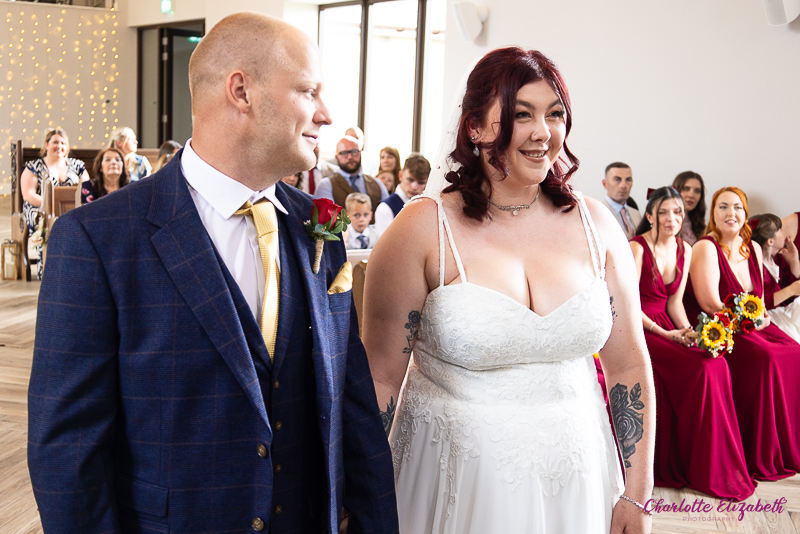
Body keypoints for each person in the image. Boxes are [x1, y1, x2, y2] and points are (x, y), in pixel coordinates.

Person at [28, 12, 398, 534]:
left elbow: (351, 403)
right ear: (241, 91)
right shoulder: (97, 239)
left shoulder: (319, 228)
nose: (326, 114)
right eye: (308, 91)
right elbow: (67, 451)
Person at [364, 47, 654, 533]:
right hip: (455, 482)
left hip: (579, 478)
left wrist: (637, 493)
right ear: (475, 127)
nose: (544, 132)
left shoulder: (596, 224)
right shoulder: (422, 229)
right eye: (523, 115)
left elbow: (628, 364)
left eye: (555, 114)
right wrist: (360, 489)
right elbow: (380, 378)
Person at [630, 186, 754, 500]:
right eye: (663, 212)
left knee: (716, 362)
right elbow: (626, 304)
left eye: (677, 212)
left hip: (667, 323)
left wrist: (689, 332)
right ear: (650, 216)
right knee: (702, 369)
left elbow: (674, 303)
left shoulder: (684, 248)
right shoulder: (637, 248)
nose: (671, 218)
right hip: (639, 327)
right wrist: (664, 334)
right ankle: (697, 464)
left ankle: (713, 464)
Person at [685, 187, 800, 481]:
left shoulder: (754, 249)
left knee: (794, 351)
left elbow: (758, 299)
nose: (731, 213)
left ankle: (788, 446)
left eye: (737, 207)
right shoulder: (706, 247)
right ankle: (760, 450)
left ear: (746, 215)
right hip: (721, 327)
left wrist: (761, 318)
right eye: (723, 207)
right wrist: (749, 322)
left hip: (753, 325)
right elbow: (710, 303)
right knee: (767, 358)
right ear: (713, 214)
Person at [20, 128, 90, 279]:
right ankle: (48, 270)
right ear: (46, 144)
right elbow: (28, 194)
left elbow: (86, 192)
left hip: (71, 208)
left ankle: (75, 270)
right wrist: (52, 205)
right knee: (45, 222)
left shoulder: (77, 166)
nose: (59, 146)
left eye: (63, 143)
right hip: (40, 209)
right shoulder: (34, 166)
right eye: (55, 142)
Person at [750, 214, 800, 342]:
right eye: (780, 231)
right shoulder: (757, 267)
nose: (785, 233)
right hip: (773, 317)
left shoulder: (779, 260)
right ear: (770, 241)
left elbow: (792, 295)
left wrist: (794, 261)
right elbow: (760, 301)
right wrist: (791, 290)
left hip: (786, 311)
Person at [314, 136, 388, 221]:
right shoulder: (326, 185)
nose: (350, 157)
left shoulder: (377, 183)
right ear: (336, 157)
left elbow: (387, 214)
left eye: (354, 151)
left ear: (360, 153)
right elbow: (326, 221)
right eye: (344, 153)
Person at [374, 153, 430, 235]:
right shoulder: (385, 208)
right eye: (410, 180)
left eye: (421, 182)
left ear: (427, 182)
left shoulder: (429, 207)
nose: (414, 187)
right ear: (400, 176)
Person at [601, 162, 641, 239]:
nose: (624, 185)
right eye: (617, 179)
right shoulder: (597, 212)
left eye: (628, 180)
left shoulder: (637, 214)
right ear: (605, 184)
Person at [672, 171, 706, 245]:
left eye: (697, 191)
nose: (691, 195)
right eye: (686, 188)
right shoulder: (663, 222)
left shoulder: (702, 227)